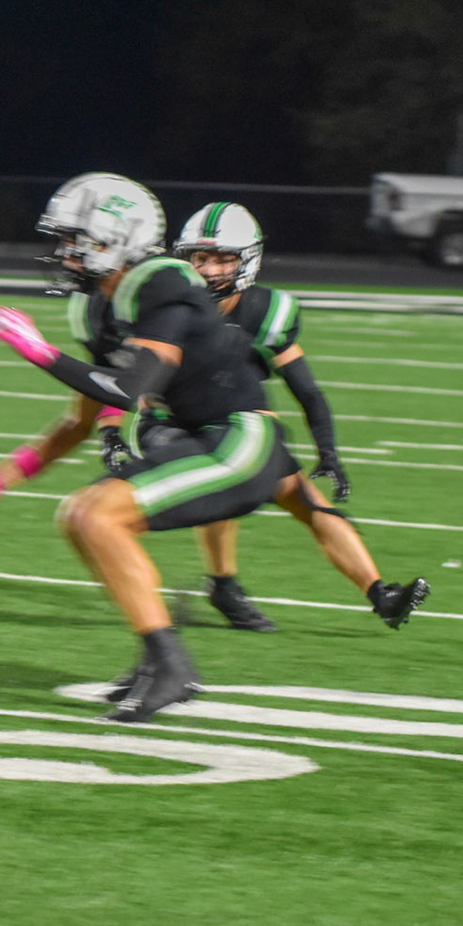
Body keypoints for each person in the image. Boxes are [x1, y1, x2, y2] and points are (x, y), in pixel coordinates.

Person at [0, 172, 428, 723]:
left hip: (241, 437)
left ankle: (173, 665)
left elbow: (129, 389)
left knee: (97, 516)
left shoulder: (163, 282)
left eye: (75, 240)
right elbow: (82, 417)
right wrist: (2, 477)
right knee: (79, 516)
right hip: (201, 436)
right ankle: (159, 660)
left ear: (112, 241)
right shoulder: (102, 307)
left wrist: (42, 353)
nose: (64, 253)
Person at [95, 201, 361, 631]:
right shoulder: (166, 304)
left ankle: (376, 591)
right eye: (201, 258)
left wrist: (327, 449)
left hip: (237, 423)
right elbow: (123, 375)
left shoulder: (263, 311)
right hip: (168, 421)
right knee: (218, 475)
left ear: (247, 261)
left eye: (224, 259)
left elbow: (307, 390)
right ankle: (192, 594)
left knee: (306, 500)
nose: (210, 270)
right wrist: (110, 429)